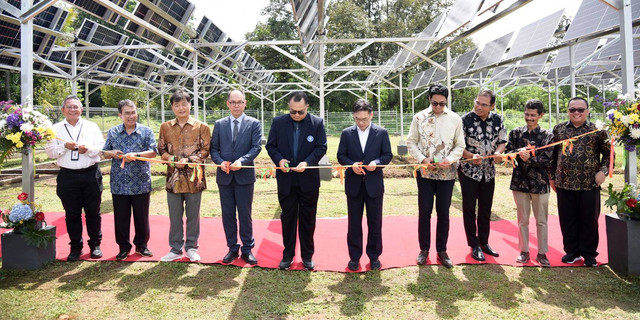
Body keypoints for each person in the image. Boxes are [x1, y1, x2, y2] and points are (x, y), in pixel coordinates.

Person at [266, 91, 327, 270]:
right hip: (286, 180)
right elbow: (271, 146)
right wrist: (279, 160)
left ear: (307, 107)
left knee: (308, 218)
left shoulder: (317, 123)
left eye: (301, 112)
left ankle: (307, 255)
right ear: (289, 107)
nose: (297, 115)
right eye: (293, 111)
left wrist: (307, 162)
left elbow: (321, 146)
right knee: (288, 218)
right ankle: (288, 254)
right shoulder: (278, 123)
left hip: (308, 181)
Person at [406, 84, 465, 269]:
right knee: (424, 212)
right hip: (425, 173)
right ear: (429, 100)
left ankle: (442, 250)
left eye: (442, 104)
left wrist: (449, 159)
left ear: (447, 101)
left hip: (447, 174)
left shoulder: (455, 119)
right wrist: (422, 159)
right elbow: (411, 141)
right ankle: (424, 250)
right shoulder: (419, 118)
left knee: (443, 213)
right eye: (434, 103)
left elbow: (460, 145)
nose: (438, 107)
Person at [550, 97, 610, 267]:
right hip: (564, 183)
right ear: (567, 111)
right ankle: (572, 252)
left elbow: (608, 154)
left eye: (580, 110)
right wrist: (551, 177)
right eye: (572, 110)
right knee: (567, 219)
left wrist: (602, 172)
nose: (576, 113)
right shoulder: (559, 129)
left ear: (588, 111)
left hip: (589, 183)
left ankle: (589, 253)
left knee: (589, 220)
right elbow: (553, 156)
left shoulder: (597, 130)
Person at [45, 95, 104, 261]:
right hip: (67, 176)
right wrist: (64, 146)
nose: (72, 110)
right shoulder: (55, 129)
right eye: (69, 107)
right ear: (63, 110)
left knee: (93, 212)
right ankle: (75, 247)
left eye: (76, 107)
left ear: (81, 110)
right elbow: (49, 152)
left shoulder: (91, 126)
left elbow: (101, 147)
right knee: (72, 214)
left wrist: (88, 149)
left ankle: (95, 244)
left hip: (90, 173)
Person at [337, 99, 393, 271]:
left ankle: (374, 256)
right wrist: (351, 165)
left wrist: (376, 162)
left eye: (364, 119)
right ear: (353, 116)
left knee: (375, 222)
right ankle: (354, 257)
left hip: (373, 184)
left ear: (371, 115)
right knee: (354, 223)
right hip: (354, 185)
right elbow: (341, 155)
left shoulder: (381, 133)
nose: (361, 123)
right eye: (357, 119)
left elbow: (387, 155)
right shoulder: (347, 133)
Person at [157, 90, 211, 262]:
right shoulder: (165, 127)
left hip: (195, 179)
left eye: (184, 104)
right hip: (173, 179)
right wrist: (172, 159)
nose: (181, 108)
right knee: (175, 215)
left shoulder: (202, 127)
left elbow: (206, 150)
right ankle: (175, 248)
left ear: (190, 105)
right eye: (177, 105)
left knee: (193, 216)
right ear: (172, 107)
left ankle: (192, 247)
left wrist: (187, 160)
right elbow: (161, 149)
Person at [210, 89, 262, 265]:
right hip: (224, 177)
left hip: (244, 176)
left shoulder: (254, 123)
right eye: (233, 102)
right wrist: (220, 162)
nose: (236, 105)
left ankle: (247, 249)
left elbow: (256, 147)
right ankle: (232, 248)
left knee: (245, 214)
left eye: (240, 102)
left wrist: (242, 161)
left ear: (245, 103)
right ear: (227, 104)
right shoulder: (219, 124)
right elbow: (214, 149)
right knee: (228, 214)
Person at [102, 99, 157, 261]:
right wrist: (112, 153)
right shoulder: (113, 132)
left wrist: (137, 155)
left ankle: (141, 245)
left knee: (141, 216)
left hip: (140, 182)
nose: (131, 116)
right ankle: (123, 247)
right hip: (119, 183)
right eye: (127, 113)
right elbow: (105, 152)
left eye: (133, 112)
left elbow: (153, 152)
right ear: (120, 115)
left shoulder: (146, 131)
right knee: (121, 217)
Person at [459, 89, 507, 261]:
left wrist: (499, 153)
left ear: (492, 106)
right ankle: (474, 244)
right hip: (469, 172)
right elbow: (457, 146)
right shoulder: (464, 120)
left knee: (486, 208)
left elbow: (502, 141)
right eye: (477, 102)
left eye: (484, 104)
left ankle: (484, 241)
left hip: (489, 172)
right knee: (469, 208)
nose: (479, 106)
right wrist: (471, 157)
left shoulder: (498, 119)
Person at [505, 99, 553, 267]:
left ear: (541, 115)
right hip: (520, 183)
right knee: (522, 220)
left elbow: (547, 158)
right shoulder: (516, 133)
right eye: (527, 114)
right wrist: (518, 153)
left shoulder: (548, 135)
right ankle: (524, 251)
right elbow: (507, 151)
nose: (529, 118)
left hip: (540, 184)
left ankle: (542, 253)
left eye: (533, 115)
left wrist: (530, 158)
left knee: (541, 221)